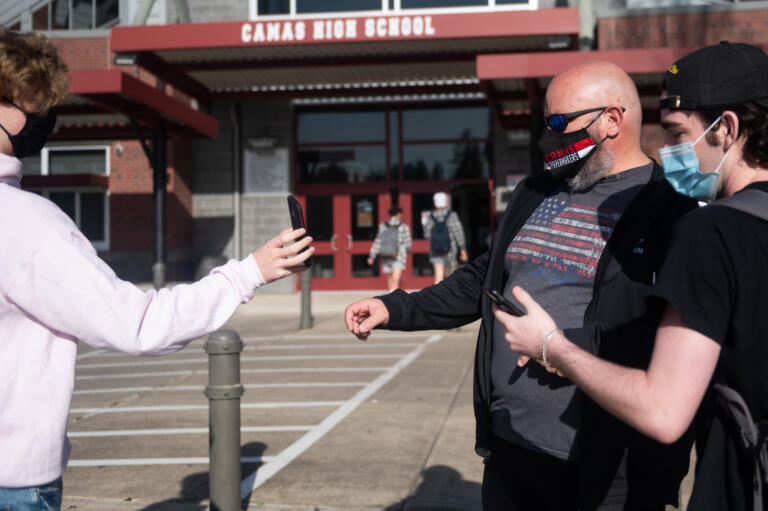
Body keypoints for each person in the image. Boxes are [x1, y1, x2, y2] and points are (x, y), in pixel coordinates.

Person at [346, 60, 699, 510]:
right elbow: (485, 278)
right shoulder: (537, 192)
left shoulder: (672, 211)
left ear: (612, 119)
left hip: (610, 469)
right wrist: (395, 307)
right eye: (544, 122)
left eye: (559, 122)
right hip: (511, 447)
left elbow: (672, 338)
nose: (549, 136)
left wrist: (558, 346)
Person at [0, 30, 314, 509]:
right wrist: (248, 273)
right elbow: (138, 325)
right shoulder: (26, 224)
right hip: (12, 478)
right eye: (33, 101)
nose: (44, 117)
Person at [496, 41, 768, 511]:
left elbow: (663, 410)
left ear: (726, 129)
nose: (667, 150)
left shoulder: (710, 231)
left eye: (677, 133)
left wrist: (552, 345)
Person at [423, 191, 468, 284]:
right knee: (450, 277)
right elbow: (458, 233)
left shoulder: (430, 216)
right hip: (450, 249)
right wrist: (463, 249)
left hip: (435, 249)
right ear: (445, 201)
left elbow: (426, 235)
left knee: (438, 275)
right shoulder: (452, 215)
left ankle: (436, 297)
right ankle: (448, 297)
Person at [367, 206, 412, 291]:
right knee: (396, 280)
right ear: (399, 214)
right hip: (399, 256)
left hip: (385, 255)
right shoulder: (403, 226)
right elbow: (408, 243)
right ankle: (392, 300)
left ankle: (390, 297)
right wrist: (406, 251)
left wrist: (372, 256)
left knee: (390, 280)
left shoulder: (383, 226)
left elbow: (378, 241)